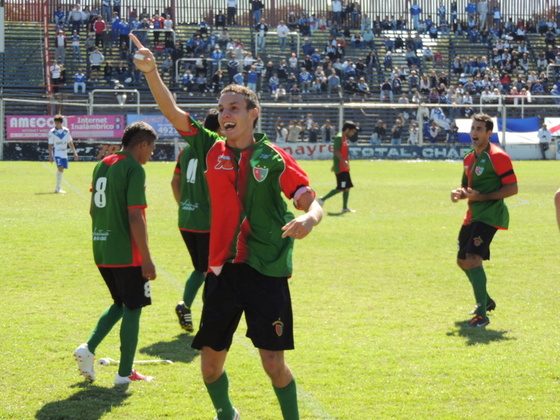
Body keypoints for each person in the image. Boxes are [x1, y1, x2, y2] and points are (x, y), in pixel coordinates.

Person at [131, 33, 323, 420]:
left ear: (253, 114)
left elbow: (309, 200)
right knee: (209, 366)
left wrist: (309, 219)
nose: (225, 114)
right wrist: (152, 72)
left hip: (266, 271)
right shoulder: (210, 148)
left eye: (233, 107)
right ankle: (226, 414)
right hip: (221, 271)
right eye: (221, 109)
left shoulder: (274, 159)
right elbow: (172, 113)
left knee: (273, 364)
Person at [73, 121, 158, 385]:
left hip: (102, 249)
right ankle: (124, 374)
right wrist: (146, 258)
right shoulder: (133, 168)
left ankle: (87, 350)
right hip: (126, 254)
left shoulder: (103, 164)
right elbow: (135, 216)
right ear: (142, 144)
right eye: (152, 148)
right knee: (133, 308)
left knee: (120, 304)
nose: (152, 154)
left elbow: (92, 210)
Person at [450, 113, 518, 328]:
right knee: (462, 261)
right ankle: (486, 300)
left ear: (489, 133)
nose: (475, 132)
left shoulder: (498, 156)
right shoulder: (469, 158)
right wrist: (459, 193)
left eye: (480, 129)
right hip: (473, 215)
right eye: (473, 128)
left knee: (472, 258)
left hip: (490, 215)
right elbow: (466, 187)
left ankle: (482, 314)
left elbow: (512, 188)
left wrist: (482, 197)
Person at [173, 110, 222, 332]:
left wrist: (184, 205)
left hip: (186, 218)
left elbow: (175, 182)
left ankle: (190, 306)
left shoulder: (185, 151)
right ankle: (198, 310)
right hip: (206, 221)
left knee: (201, 267)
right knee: (210, 269)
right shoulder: (216, 148)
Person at [317, 121, 357, 213]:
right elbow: (336, 151)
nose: (353, 133)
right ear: (347, 129)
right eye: (352, 131)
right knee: (341, 188)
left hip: (344, 168)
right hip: (341, 168)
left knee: (347, 187)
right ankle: (322, 199)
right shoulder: (339, 138)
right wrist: (343, 162)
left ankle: (344, 208)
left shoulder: (344, 138)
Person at [48, 115, 79, 194]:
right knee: (60, 168)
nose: (56, 124)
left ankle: (58, 188)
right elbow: (50, 145)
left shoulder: (66, 131)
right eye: (55, 122)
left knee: (62, 170)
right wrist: (50, 156)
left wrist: (74, 152)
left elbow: (70, 142)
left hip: (64, 153)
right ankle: (58, 188)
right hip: (57, 152)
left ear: (61, 123)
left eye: (58, 122)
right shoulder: (52, 132)